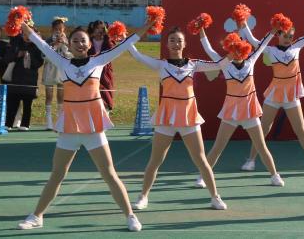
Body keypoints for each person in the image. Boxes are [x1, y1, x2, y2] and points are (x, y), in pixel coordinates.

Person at [17, 20, 148, 231]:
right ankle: (37, 216)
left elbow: (126, 44)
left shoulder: (99, 60)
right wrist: (23, 24)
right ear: (69, 44)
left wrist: (148, 25)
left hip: (93, 128)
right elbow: (40, 43)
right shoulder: (63, 63)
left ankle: (130, 216)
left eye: (83, 41)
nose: (79, 44)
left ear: (89, 44)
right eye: (75, 41)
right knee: (57, 174)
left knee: (109, 174)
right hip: (69, 128)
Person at [127, 27, 230, 211]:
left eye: (179, 40)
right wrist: (125, 40)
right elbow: (136, 55)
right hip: (166, 117)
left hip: (189, 117)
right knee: (155, 160)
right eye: (172, 40)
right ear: (167, 44)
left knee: (201, 160)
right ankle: (143, 196)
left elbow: (220, 64)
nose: (176, 44)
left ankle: (215, 197)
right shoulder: (161, 65)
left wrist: (234, 51)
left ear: (185, 44)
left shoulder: (194, 64)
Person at [197, 20, 284, 186]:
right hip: (231, 112)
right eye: (233, 48)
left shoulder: (251, 61)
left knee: (261, 146)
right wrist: (201, 30)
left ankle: (275, 175)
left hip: (250, 112)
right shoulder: (224, 64)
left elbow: (263, 44)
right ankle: (202, 177)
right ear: (229, 49)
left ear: (244, 48)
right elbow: (209, 49)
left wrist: (274, 30)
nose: (237, 51)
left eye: (239, 47)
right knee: (218, 147)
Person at [239, 13, 304, 172]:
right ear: (278, 35)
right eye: (285, 36)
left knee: (300, 130)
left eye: (290, 36)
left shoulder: (297, 46)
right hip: (274, 95)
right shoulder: (270, 50)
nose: (288, 39)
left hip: (292, 96)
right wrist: (243, 22)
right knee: (263, 129)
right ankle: (251, 160)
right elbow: (253, 41)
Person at [4, 29, 43, 131]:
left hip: (30, 79)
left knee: (27, 104)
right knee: (12, 103)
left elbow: (39, 63)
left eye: (29, 34)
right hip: (15, 79)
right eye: (25, 34)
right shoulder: (16, 43)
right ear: (21, 34)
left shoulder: (37, 46)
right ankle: (8, 123)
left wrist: (29, 58)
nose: (27, 37)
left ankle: (25, 124)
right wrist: (17, 55)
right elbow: (7, 58)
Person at [43, 17, 70, 130]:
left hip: (62, 70)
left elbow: (71, 56)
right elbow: (44, 56)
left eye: (61, 29)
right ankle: (48, 121)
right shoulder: (48, 40)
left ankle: (60, 121)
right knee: (49, 95)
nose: (59, 31)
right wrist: (54, 45)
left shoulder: (67, 41)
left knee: (61, 96)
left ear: (64, 29)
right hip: (50, 69)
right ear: (52, 29)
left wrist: (64, 45)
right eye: (56, 29)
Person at [87, 20, 116, 112]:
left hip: (105, 71)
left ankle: (107, 110)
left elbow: (113, 49)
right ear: (93, 29)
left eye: (102, 28)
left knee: (106, 90)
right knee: (93, 90)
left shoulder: (108, 41)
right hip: (91, 70)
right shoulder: (88, 41)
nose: (100, 30)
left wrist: (108, 36)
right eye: (97, 28)